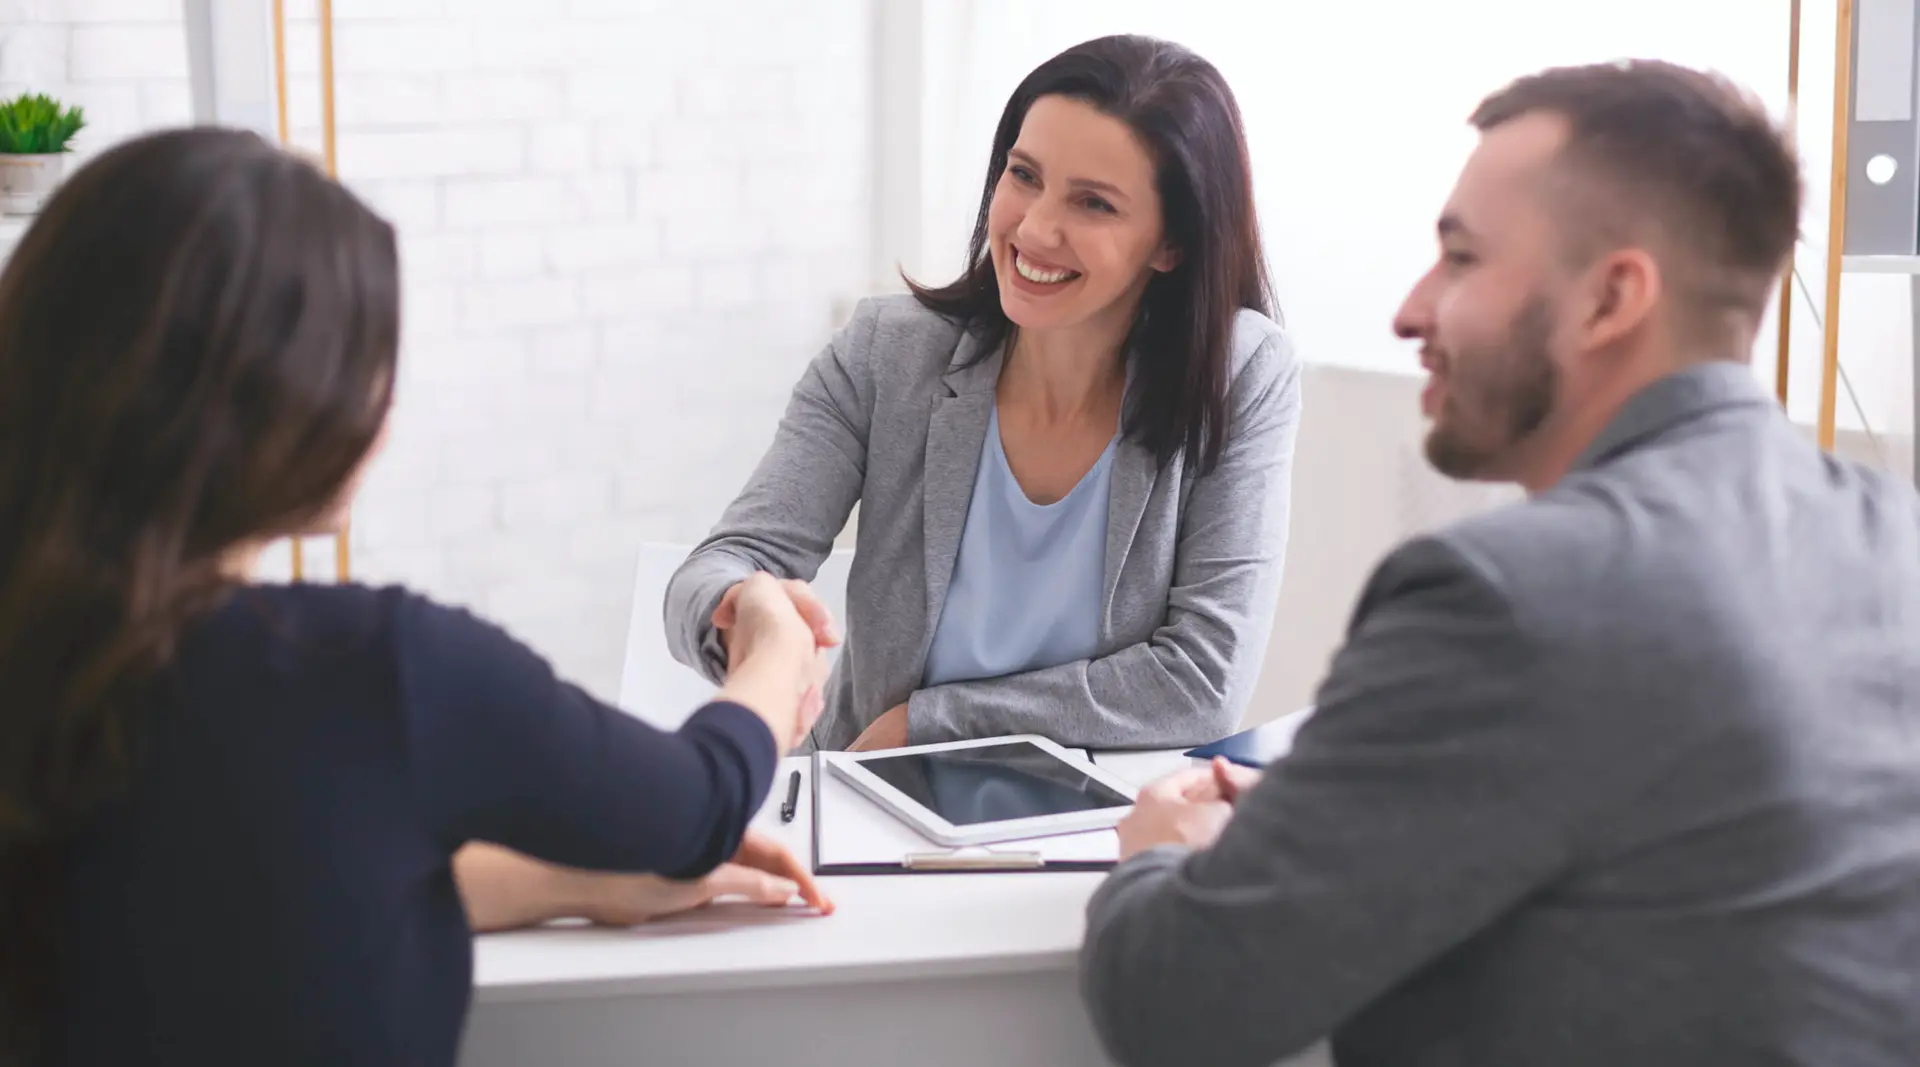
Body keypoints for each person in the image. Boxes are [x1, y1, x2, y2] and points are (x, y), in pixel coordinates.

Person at [1078, 60, 1920, 1067]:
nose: (1410, 309)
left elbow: (1178, 1004)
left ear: (1611, 299)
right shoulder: (1894, 533)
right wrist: (1348, 819)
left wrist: (1158, 856)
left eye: (1461, 259)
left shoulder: (1510, 595)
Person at [0, 128, 832, 1067]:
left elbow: (226, 886)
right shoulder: (371, 671)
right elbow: (701, 801)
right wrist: (773, 648)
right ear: (282, 397)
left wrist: (570, 879)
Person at [667, 34, 1300, 753]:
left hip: (1093, 826)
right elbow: (717, 567)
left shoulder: (1242, 375)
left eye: (1093, 203)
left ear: (1171, 244)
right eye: (1023, 175)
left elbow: (1201, 682)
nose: (1033, 228)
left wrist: (930, 722)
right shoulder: (886, 351)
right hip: (866, 808)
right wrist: (752, 604)